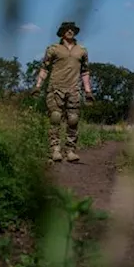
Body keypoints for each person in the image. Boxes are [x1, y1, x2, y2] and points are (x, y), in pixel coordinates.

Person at [34, 20, 93, 163]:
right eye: (67, 29)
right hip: (55, 88)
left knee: (73, 120)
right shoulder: (53, 49)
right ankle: (55, 150)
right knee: (55, 117)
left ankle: (70, 150)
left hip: (74, 89)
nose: (70, 31)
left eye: (72, 29)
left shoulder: (82, 50)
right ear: (62, 32)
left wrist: (88, 91)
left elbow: (85, 72)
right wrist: (38, 86)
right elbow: (44, 68)